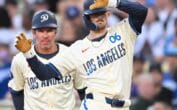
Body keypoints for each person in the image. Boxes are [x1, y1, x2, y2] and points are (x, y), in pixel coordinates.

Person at [15, 0, 147, 109]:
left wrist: (113, 2)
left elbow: (141, 12)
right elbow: (44, 74)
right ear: (86, 18)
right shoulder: (77, 49)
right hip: (96, 104)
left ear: (107, 14)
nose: (98, 17)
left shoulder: (123, 32)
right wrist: (28, 54)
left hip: (123, 105)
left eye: (101, 13)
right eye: (94, 15)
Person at [8, 10, 86, 110]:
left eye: (49, 30)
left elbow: (83, 90)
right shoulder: (20, 59)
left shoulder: (70, 55)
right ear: (33, 32)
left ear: (56, 32)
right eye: (41, 31)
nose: (45, 35)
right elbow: (16, 91)